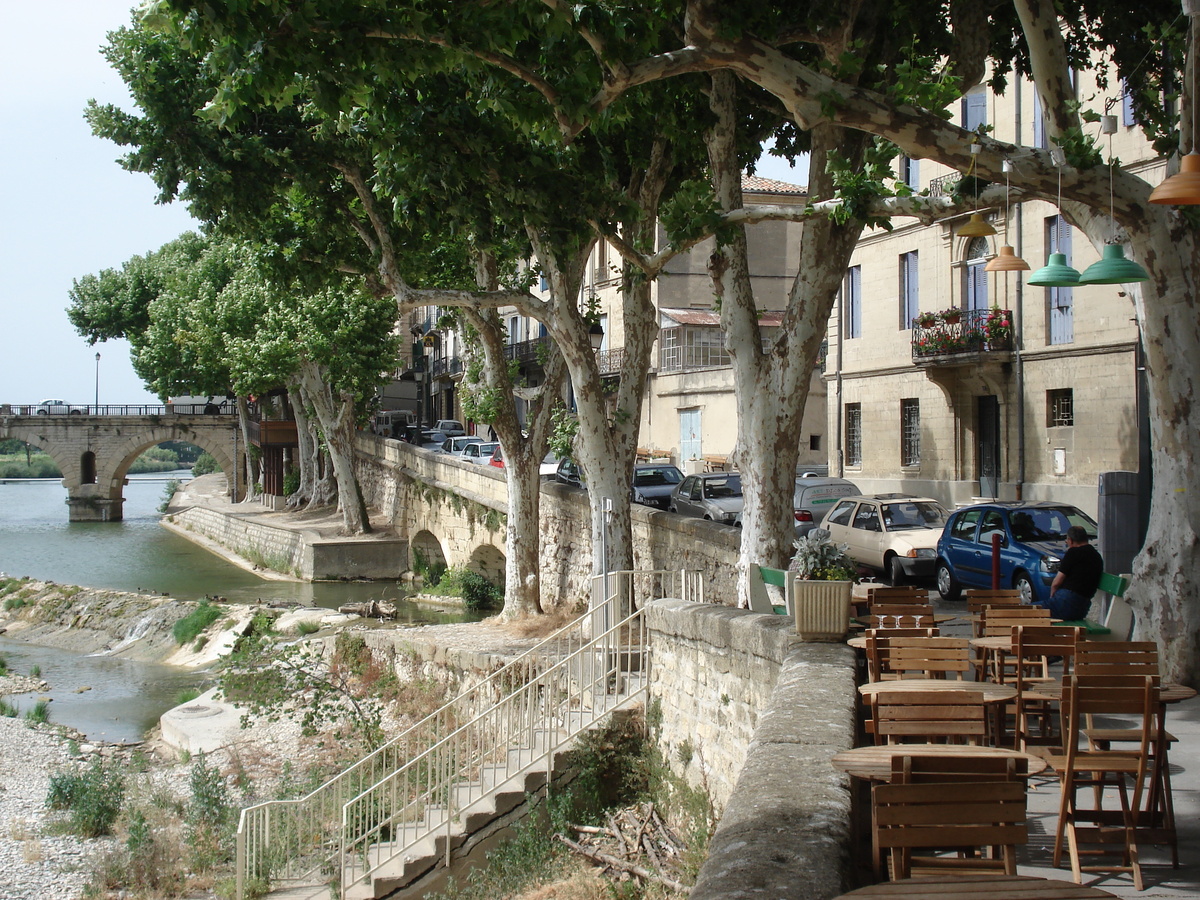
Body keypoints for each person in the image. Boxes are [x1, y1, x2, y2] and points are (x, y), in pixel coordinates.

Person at [1038, 525, 1103, 620]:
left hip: (1066, 602)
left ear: (1071, 540)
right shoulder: (1096, 556)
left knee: (1027, 611)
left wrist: (1052, 596)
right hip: (1082, 606)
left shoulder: (1073, 552)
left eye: (1067, 541)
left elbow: (1057, 582)